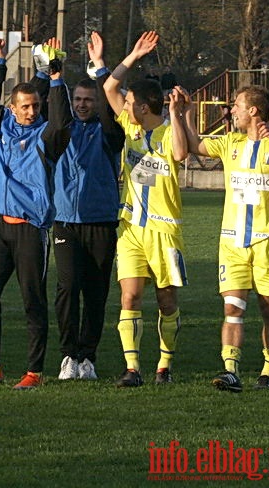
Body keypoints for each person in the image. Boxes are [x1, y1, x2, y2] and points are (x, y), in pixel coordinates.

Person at [179, 86, 269, 392]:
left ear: (253, 112)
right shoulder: (230, 142)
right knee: (233, 308)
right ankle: (230, 370)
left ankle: (268, 372)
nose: (232, 110)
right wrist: (188, 111)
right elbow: (194, 144)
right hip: (232, 241)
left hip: (268, 241)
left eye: (237, 105)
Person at [0, 38, 69, 390]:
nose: (30, 112)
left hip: (30, 229)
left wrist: (54, 79)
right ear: (12, 108)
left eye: (35, 106)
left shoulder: (46, 135)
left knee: (31, 301)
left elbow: (61, 121)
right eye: (24, 106)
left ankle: (34, 372)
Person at [102, 31, 189, 388]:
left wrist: (177, 114)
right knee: (130, 294)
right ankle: (133, 368)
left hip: (165, 229)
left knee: (166, 300)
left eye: (130, 102)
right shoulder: (130, 127)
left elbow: (182, 154)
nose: (124, 106)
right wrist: (133, 55)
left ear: (143, 106)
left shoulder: (169, 133)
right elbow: (109, 87)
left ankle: (164, 366)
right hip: (130, 228)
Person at [54, 32, 125, 381]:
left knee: (95, 292)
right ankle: (68, 355)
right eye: (78, 99)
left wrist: (100, 67)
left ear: (97, 102)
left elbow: (114, 108)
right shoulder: (63, 130)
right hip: (65, 222)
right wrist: (54, 75)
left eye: (88, 99)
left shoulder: (110, 133)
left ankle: (88, 357)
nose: (82, 104)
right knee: (67, 287)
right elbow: (54, 111)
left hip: (101, 221)